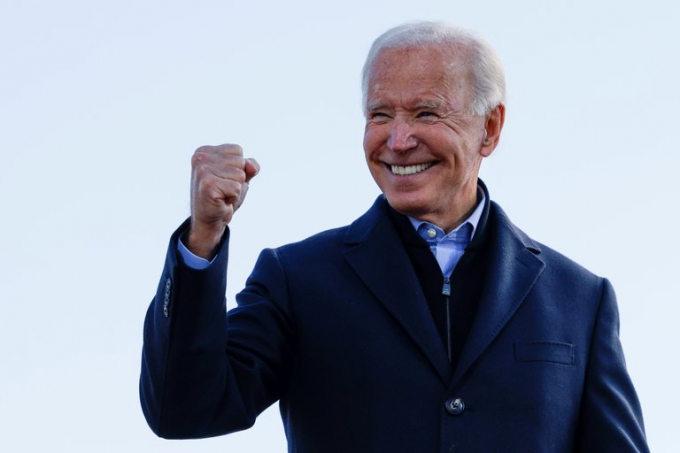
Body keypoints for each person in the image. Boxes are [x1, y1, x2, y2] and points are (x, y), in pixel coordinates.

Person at [140, 21, 649, 452]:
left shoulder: (581, 300)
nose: (398, 141)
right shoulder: (297, 279)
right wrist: (204, 235)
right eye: (380, 114)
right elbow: (182, 409)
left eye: (426, 113)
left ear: (490, 129)